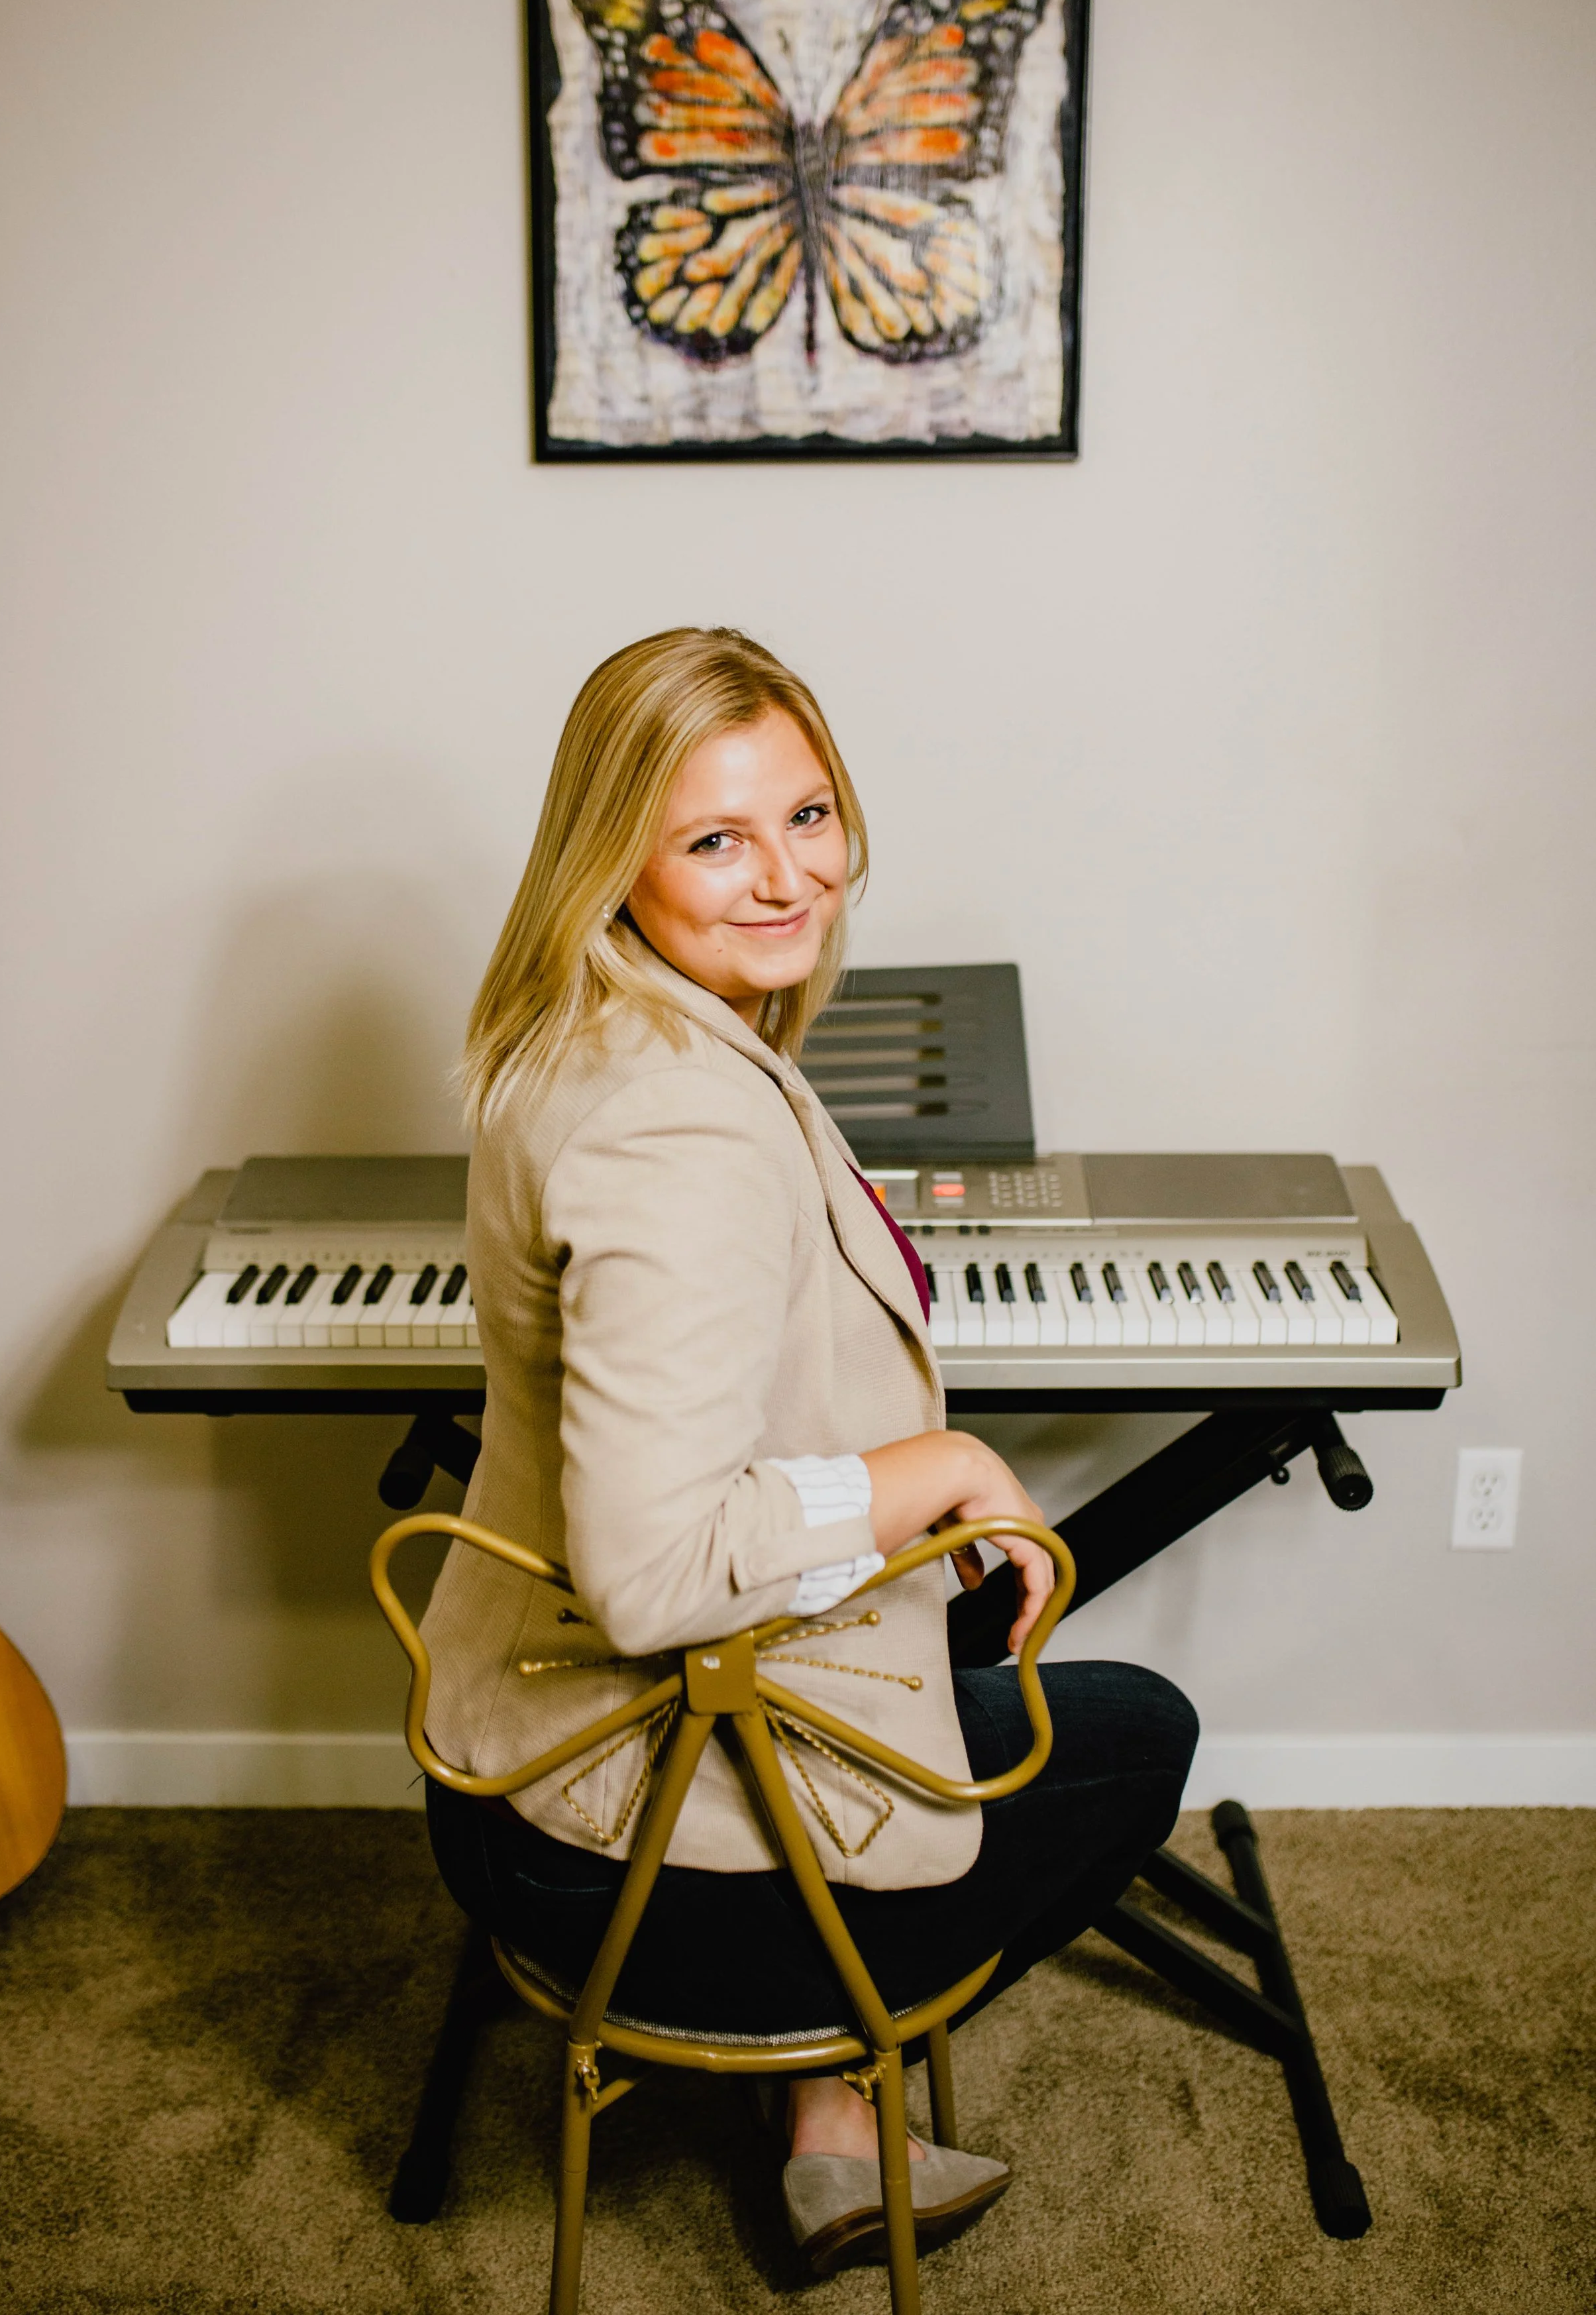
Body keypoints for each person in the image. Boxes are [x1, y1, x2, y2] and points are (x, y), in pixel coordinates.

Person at [420, 627, 1197, 2274]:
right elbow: (645, 1567)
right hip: (615, 1865)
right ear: (611, 852)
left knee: (973, 1622)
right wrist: (942, 1469)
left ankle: (832, 2117)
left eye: (810, 815)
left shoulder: (584, 1026)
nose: (785, 878)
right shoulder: (677, 1119)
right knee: (1135, 1727)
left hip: (509, 1758)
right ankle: (838, 2084)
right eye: (714, 837)